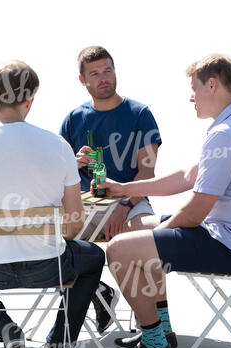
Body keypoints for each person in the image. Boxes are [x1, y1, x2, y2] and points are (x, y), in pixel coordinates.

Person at [98, 54, 231, 348]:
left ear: (212, 84)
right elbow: (186, 177)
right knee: (136, 230)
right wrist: (125, 189)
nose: (190, 96)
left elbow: (195, 212)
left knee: (118, 249)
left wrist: (154, 236)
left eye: (194, 88)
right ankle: (161, 330)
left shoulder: (227, 133)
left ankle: (154, 347)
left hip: (229, 247)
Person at [0, 60, 105, 348]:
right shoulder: (58, 147)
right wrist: (53, 241)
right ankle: (59, 346)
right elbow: (74, 223)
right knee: (94, 259)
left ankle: (9, 333)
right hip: (51, 267)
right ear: (29, 98)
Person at [59, 45, 162, 333]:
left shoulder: (140, 113)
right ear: (83, 80)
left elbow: (147, 172)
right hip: (86, 205)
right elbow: (55, 174)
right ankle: (98, 292)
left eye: (108, 70)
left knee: (146, 238)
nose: (104, 78)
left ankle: (156, 328)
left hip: (131, 201)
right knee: (49, 242)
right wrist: (73, 163)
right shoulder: (72, 119)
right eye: (95, 73)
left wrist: (125, 205)